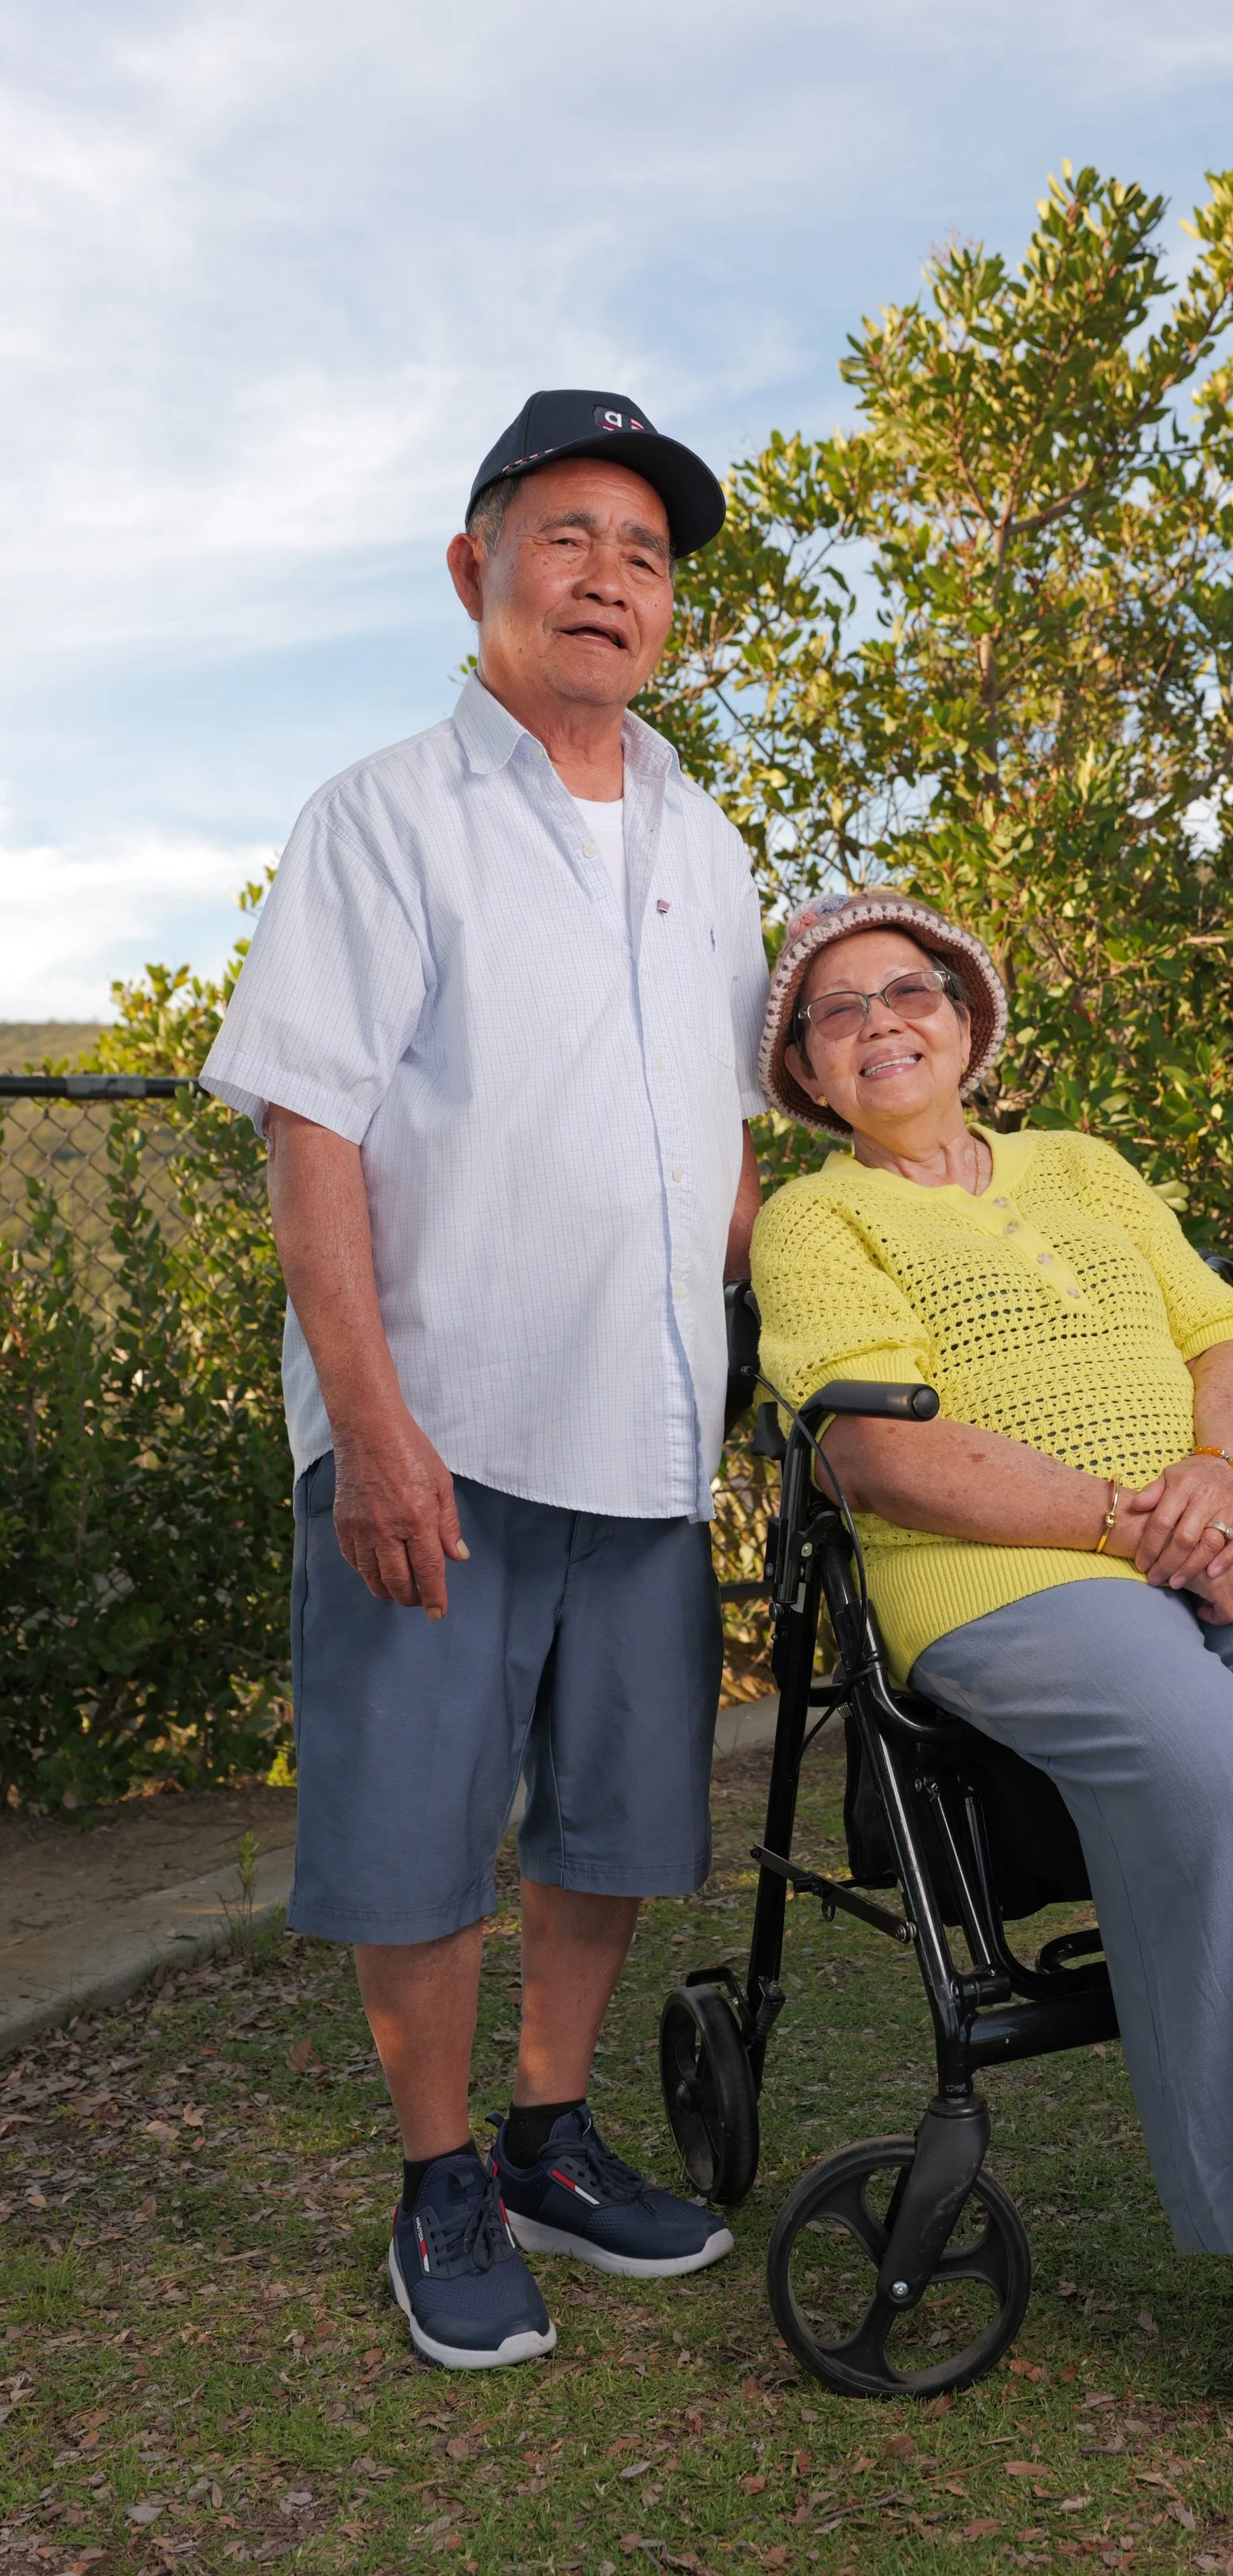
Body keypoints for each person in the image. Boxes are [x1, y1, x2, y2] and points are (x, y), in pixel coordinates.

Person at [747, 886, 1233, 2500]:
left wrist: (1214, 1480)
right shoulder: (819, 1220)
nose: (885, 1020)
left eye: (913, 990)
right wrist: (1128, 1523)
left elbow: (1231, 1340)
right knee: (1218, 1764)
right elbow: (876, 1450)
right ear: (811, 1073)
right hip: (1007, 1570)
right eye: (841, 1010)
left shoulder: (1089, 1168)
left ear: (968, 1025)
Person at [200, 390, 769, 2370]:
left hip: (648, 1436)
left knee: (613, 1822)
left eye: (649, 554)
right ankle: (440, 2174)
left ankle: (549, 2133)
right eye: (571, 538)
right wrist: (368, 1424)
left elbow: (723, 1131)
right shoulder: (378, 817)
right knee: (417, 1824)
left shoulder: (712, 838)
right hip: (435, 1430)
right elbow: (313, 1129)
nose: (614, 579)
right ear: (477, 571)